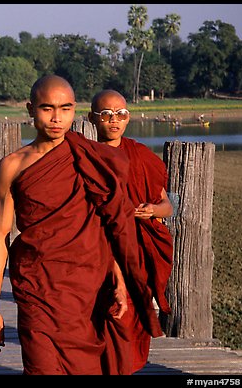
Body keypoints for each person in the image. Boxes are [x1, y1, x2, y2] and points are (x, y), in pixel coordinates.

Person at [0, 75, 163, 375]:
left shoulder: (92, 158)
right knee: (41, 366)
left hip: (86, 287)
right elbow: (0, 236)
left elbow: (114, 226)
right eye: (47, 108)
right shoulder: (12, 166)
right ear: (30, 110)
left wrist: (119, 281)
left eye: (65, 108)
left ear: (75, 110)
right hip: (36, 284)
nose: (57, 118)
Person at [89, 89, 174, 373]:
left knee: (133, 323)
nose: (114, 120)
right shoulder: (87, 159)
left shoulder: (139, 155)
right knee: (108, 319)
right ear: (92, 119)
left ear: (128, 118)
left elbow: (167, 206)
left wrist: (151, 210)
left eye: (121, 114)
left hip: (138, 252)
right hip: (100, 251)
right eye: (106, 114)